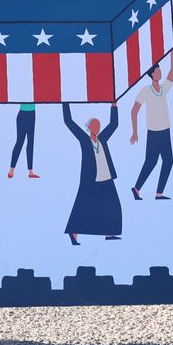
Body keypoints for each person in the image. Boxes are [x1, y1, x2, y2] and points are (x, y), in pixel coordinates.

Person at [61, 102, 121, 244]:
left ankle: (110, 232)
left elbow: (114, 125)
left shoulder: (103, 139)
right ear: (89, 128)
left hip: (106, 178)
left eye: (99, 126)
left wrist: (114, 106)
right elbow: (69, 122)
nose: (98, 128)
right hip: (90, 179)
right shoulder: (84, 140)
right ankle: (73, 232)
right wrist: (65, 102)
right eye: (94, 126)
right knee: (81, 206)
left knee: (113, 205)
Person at [128, 51, 173, 201]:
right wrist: (135, 132)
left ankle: (158, 193)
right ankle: (136, 189)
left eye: (160, 69)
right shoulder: (145, 90)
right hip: (154, 132)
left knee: (168, 161)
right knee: (151, 161)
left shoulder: (163, 89)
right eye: (157, 70)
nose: (160, 72)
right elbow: (134, 110)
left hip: (165, 131)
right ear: (152, 74)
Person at [6, 97, 40, 180]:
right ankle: (11, 169)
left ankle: (30, 171)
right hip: (23, 114)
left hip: (31, 114)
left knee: (30, 142)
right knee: (20, 142)